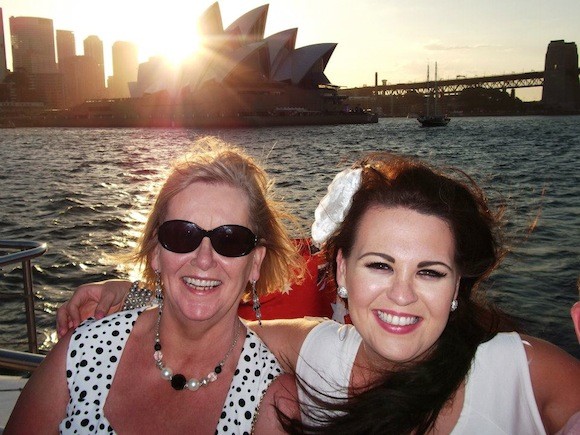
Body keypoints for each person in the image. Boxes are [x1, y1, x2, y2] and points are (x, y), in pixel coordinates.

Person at [54, 152, 580, 434]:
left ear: (457, 287)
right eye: (380, 265)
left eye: (430, 272)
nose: (401, 295)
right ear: (344, 274)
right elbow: (210, 321)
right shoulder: (321, 350)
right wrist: (132, 290)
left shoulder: (522, 371)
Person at [6, 139, 302, 434]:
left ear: (255, 263)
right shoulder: (82, 352)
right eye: (182, 234)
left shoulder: (274, 402)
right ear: (155, 253)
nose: (203, 259)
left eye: (230, 239)